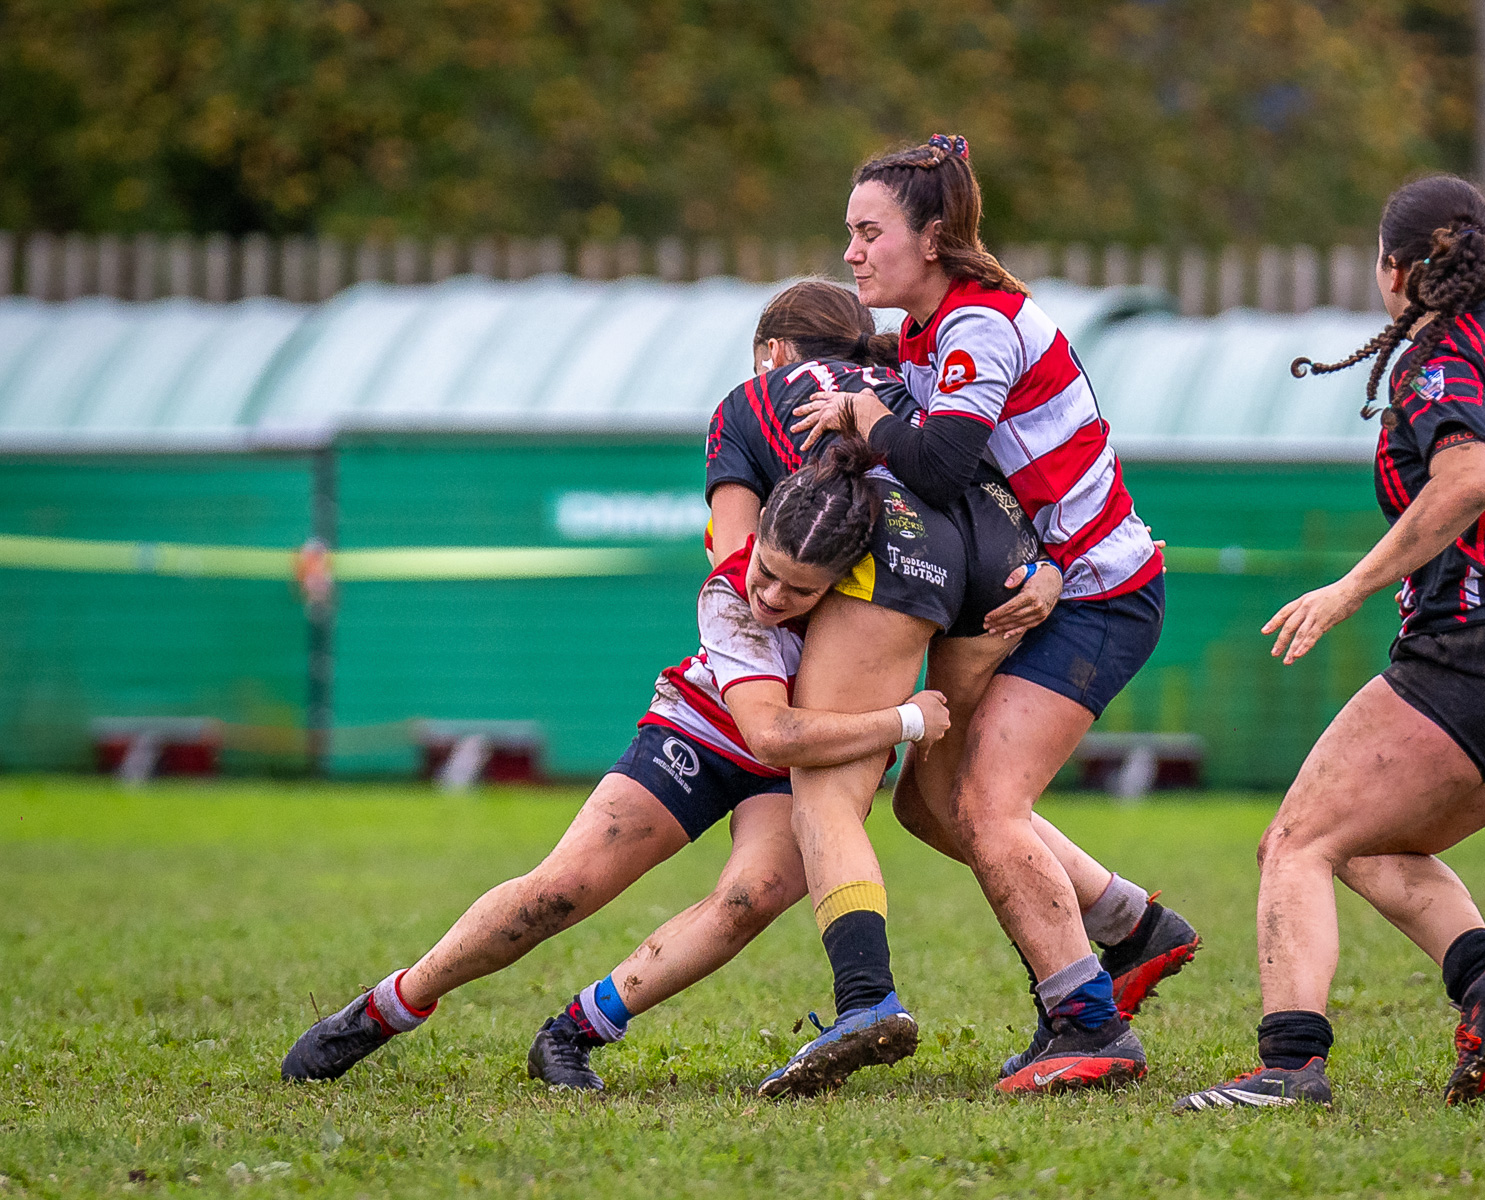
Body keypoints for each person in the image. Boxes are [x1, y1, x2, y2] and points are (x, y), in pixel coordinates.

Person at [1173, 175, 1485, 1112]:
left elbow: (1468, 477)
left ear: (1394, 268)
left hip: (1484, 654)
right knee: (1365, 842)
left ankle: (1288, 1066)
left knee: (1296, 842)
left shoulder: (1435, 356)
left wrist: (1353, 586)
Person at [279, 435, 952, 1092]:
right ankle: (386, 1009)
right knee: (559, 890)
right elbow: (771, 733)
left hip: (796, 766)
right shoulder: (727, 591)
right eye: (766, 572)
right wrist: (909, 720)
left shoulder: (874, 602)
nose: (770, 597)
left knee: (750, 898)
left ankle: (571, 1033)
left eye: (798, 591)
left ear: (840, 584)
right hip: (705, 730)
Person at [707, 279, 1200, 1097]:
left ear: (773, 351)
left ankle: (866, 1000)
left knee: (827, 790)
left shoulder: (748, 399)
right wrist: (1040, 566)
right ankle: (1130, 924)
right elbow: (978, 463)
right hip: (999, 553)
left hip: (895, 550)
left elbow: (739, 554)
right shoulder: (902, 376)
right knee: (941, 798)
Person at [790, 135, 1177, 1093]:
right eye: (849, 233)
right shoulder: (929, 328)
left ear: (930, 239)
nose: (851, 254)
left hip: (1102, 600)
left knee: (986, 807)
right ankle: (1129, 929)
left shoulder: (978, 326)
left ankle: (1090, 1024)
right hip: (1058, 586)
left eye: (868, 233)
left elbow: (943, 466)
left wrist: (862, 415)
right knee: (927, 804)